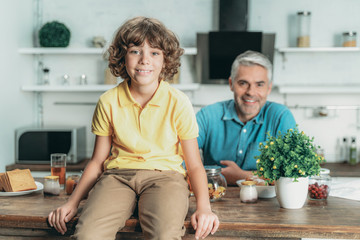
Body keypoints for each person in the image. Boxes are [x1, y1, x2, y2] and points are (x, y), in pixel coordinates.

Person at [48, 16, 219, 240]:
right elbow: (98, 161)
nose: (144, 60)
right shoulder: (108, 102)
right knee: (87, 235)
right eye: (135, 51)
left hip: (166, 178)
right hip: (117, 178)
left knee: (165, 235)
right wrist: (72, 202)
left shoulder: (178, 102)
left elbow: (195, 165)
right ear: (122, 56)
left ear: (166, 60)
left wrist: (204, 207)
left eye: (155, 53)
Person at [196, 50, 296, 185]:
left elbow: (293, 174)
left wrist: (241, 176)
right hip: (215, 199)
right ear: (231, 84)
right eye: (243, 83)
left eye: (259, 84)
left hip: (267, 203)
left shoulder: (280, 117)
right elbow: (178, 159)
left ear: (269, 88)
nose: (250, 92)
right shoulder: (207, 116)